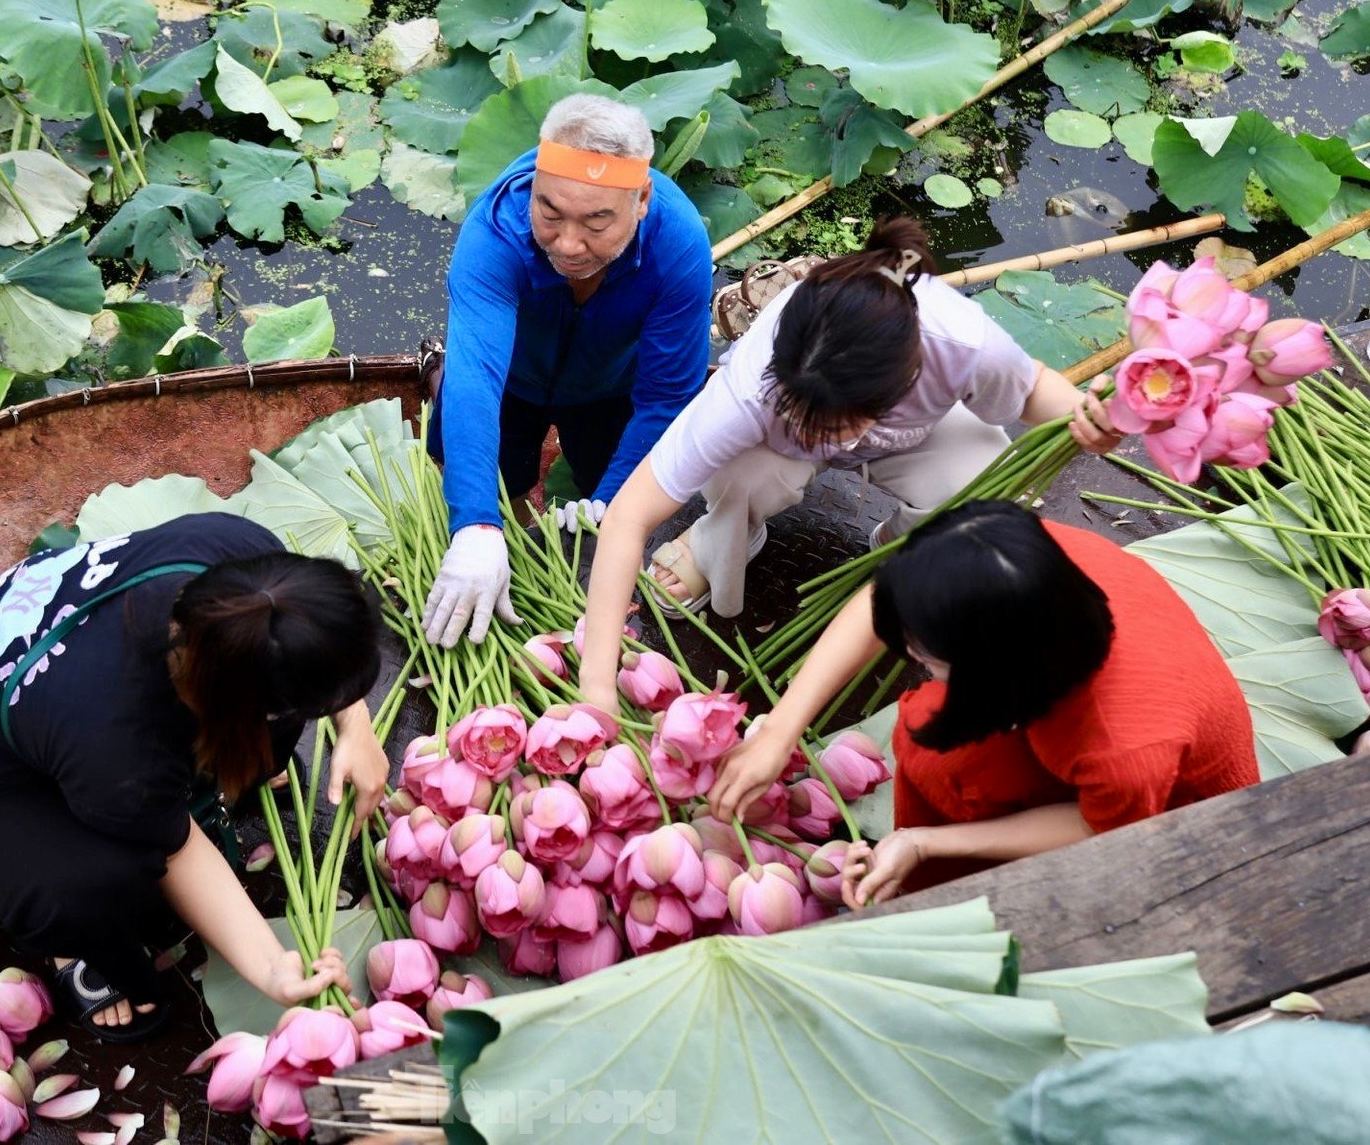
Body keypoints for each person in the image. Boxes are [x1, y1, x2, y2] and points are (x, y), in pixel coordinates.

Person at [575, 216, 1123, 713]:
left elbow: (1030, 392)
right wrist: (597, 687)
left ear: (903, 383)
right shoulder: (751, 388)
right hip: (771, 450)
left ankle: (902, 548)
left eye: (837, 424)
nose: (820, 439)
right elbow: (630, 516)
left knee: (988, 493)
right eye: (802, 413)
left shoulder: (961, 343)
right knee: (739, 472)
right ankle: (719, 539)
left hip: (915, 441)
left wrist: (1089, 420)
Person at [0, 512, 390, 1042]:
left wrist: (357, 726)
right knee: (111, 878)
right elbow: (179, 852)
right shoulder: (113, 740)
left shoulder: (251, 572)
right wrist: (272, 967)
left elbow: (309, 635)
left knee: (258, 738)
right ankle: (69, 942)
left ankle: (181, 787)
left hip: (57, 692)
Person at [708, 500, 1258, 905]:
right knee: (922, 731)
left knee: (939, 762)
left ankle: (935, 898)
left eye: (928, 656)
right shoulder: (1022, 563)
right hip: (1077, 716)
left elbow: (1100, 829)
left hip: (1168, 814)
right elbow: (884, 597)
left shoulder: (1122, 748)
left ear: (994, 674)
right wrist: (781, 730)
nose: (913, 660)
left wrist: (926, 844)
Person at [422, 94, 714, 649]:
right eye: (550, 214)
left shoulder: (678, 246)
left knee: (603, 493)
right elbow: (477, 381)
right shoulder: (495, 235)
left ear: (642, 199)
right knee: (495, 488)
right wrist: (477, 527)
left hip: (610, 391)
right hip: (510, 382)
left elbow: (665, 396)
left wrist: (608, 510)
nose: (570, 245)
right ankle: (436, 371)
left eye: (598, 221)